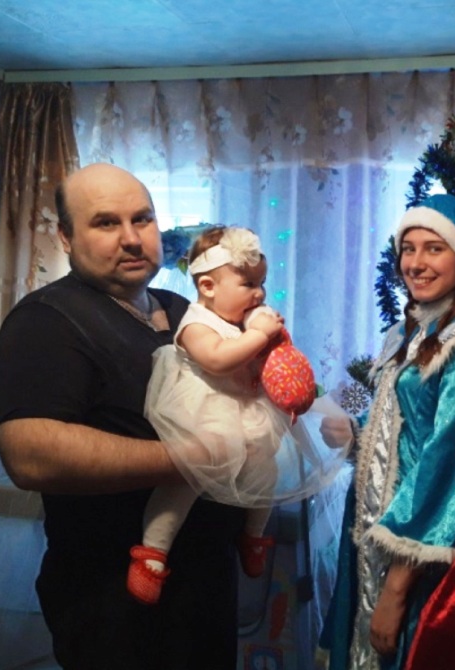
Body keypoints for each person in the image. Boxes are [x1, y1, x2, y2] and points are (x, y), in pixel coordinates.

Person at [0, 163, 243, 669]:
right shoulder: (46, 321)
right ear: (66, 237)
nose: (131, 238)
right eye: (106, 223)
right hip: (112, 603)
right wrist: (187, 459)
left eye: (142, 219)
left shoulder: (182, 310)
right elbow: (29, 453)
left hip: (205, 589)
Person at [318, 194, 455, 670]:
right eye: (408, 248)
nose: (415, 263)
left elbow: (450, 466)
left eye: (434, 249)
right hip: (373, 532)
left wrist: (398, 587)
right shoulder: (408, 334)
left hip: (417, 554)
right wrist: (355, 433)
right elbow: (403, 428)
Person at [131, 225, 347, 604]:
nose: (259, 293)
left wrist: (277, 354)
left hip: (248, 409)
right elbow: (217, 360)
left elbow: (269, 363)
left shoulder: (244, 322)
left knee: (266, 473)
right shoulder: (196, 323)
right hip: (207, 410)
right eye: (248, 284)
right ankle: (153, 550)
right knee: (185, 480)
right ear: (208, 287)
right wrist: (258, 336)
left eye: (261, 283)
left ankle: (254, 535)